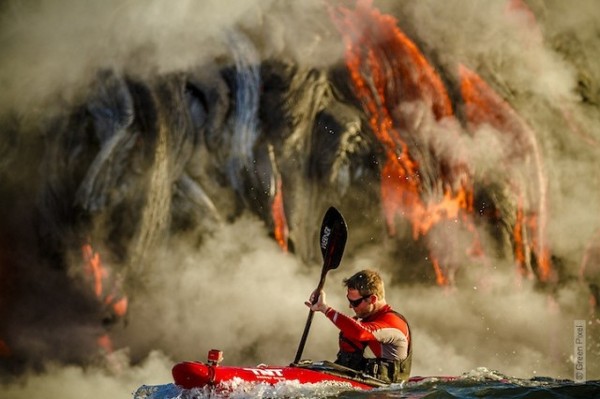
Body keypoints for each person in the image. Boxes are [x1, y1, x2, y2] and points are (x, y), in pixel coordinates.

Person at [305, 269, 411, 383]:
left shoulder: (393, 322)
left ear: (373, 299)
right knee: (348, 334)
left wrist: (325, 309)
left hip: (389, 391)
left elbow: (361, 333)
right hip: (368, 386)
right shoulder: (369, 319)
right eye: (349, 300)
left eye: (355, 302)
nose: (350, 306)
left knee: (353, 330)